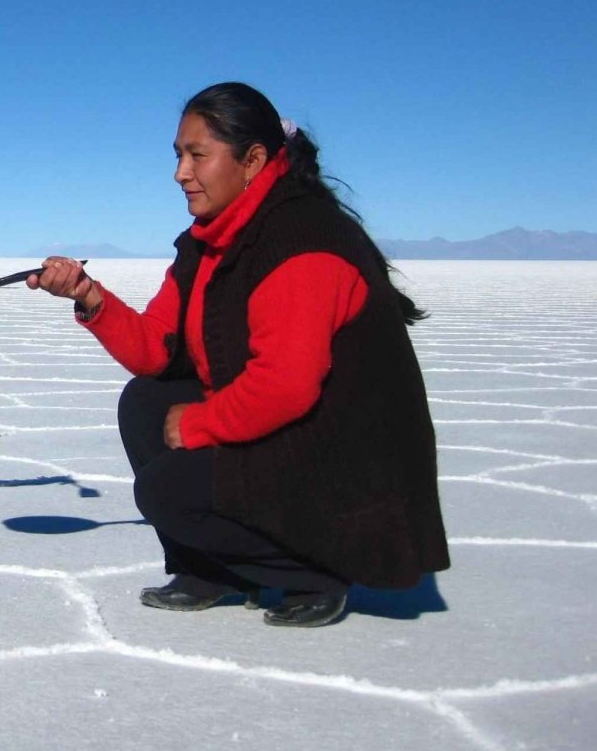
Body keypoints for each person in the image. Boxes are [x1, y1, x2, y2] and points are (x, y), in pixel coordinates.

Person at [29, 82, 448, 628]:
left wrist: (203, 424)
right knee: (146, 402)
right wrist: (90, 296)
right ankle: (210, 570)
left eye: (197, 155)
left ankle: (316, 572)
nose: (181, 172)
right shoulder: (210, 240)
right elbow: (159, 349)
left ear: (252, 160)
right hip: (293, 430)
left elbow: (287, 385)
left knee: (166, 491)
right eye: (179, 154)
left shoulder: (302, 240)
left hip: (346, 457)